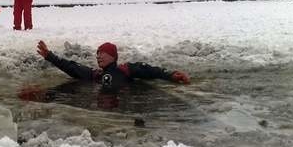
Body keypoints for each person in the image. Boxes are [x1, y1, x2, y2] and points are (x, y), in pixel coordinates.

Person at [36, 41, 190, 89]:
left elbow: (149, 70)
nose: (98, 56)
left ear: (113, 56)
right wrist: (50, 56)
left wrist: (170, 74)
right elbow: (72, 67)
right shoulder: (95, 74)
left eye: (102, 53)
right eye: (97, 54)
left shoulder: (124, 69)